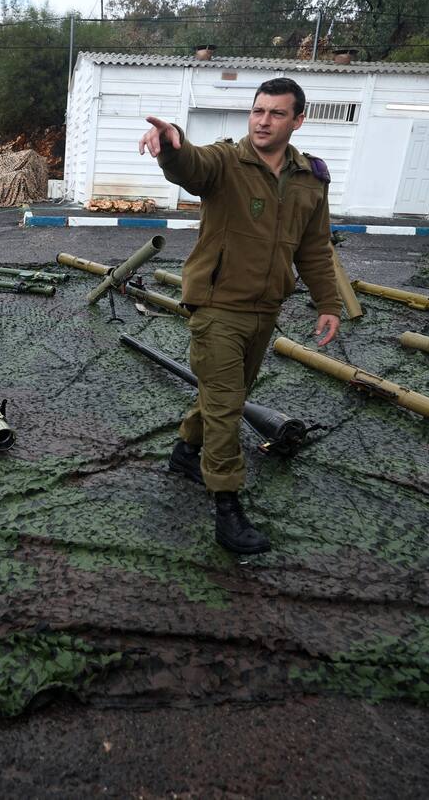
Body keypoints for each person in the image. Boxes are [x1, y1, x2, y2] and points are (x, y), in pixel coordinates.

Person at [137, 77, 341, 555]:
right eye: (257, 111)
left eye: (275, 113)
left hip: (265, 310)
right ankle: (227, 509)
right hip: (216, 308)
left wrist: (329, 302)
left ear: (297, 120)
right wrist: (172, 147)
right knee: (228, 409)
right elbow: (192, 166)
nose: (263, 120)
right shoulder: (228, 161)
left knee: (226, 395)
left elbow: (314, 247)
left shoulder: (311, 178)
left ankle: (186, 451)